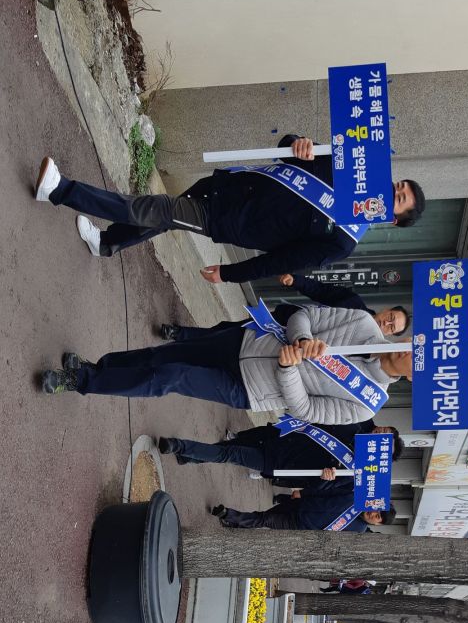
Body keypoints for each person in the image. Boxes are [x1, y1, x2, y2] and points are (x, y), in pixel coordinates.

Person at [34, 137, 425, 282]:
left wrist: (230, 274)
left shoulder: (342, 240)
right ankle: (107, 244)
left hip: (228, 221)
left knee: (156, 209)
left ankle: (60, 191)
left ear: (392, 219)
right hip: (231, 185)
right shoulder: (346, 168)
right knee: (165, 217)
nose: (392, 190)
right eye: (398, 185)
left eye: (399, 198)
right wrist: (299, 143)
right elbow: (286, 150)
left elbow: (280, 262)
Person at [40, 305, 413, 426]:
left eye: (418, 364)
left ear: (413, 379)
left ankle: (79, 381)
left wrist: (288, 370)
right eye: (416, 349)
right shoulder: (363, 323)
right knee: (160, 356)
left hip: (248, 388)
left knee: (170, 377)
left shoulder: (367, 403)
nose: (410, 355)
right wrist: (301, 339)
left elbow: (306, 410)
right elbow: (304, 315)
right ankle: (96, 368)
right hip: (246, 341)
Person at [157, 420, 404, 486]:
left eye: (384, 448)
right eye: (383, 438)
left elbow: (316, 489)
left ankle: (179, 446)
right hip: (283, 436)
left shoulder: (352, 473)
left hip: (280, 462)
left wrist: (326, 478)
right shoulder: (356, 424)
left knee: (230, 454)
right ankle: (189, 456)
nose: (378, 441)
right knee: (230, 447)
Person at [212, 479, 397, 532]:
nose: (374, 514)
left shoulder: (358, 530)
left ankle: (228, 514)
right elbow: (328, 492)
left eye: (378, 517)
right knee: (263, 516)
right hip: (301, 505)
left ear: (377, 524)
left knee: (265, 519)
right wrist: (304, 493)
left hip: (300, 525)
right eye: (377, 510)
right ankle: (236, 525)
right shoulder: (355, 498)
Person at [278, 272, 411, 337]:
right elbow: (321, 291)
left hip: (292, 349)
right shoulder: (353, 301)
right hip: (285, 320)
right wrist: (296, 281)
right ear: (386, 310)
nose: (386, 323)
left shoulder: (365, 352)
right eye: (390, 317)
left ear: (388, 335)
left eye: (391, 327)